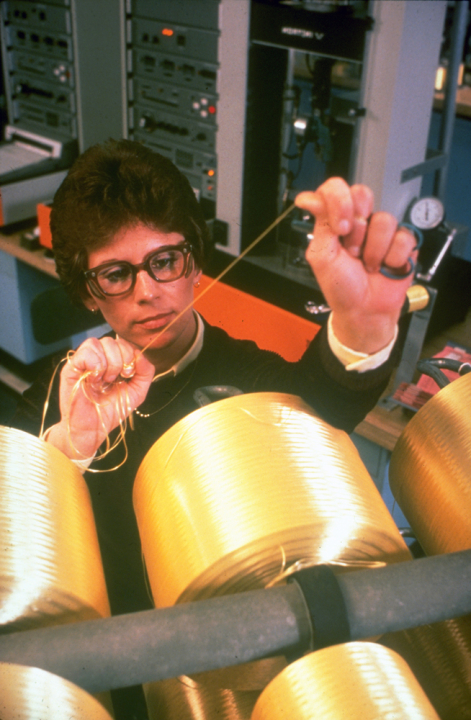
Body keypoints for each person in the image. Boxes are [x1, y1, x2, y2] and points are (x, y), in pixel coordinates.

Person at [11, 138, 416, 717]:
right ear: (87, 293)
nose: (148, 291)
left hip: (224, 670)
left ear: (195, 260)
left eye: (164, 260)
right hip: (105, 659)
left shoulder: (250, 376)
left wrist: (362, 328)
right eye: (116, 274)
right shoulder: (52, 400)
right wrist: (67, 450)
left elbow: (323, 401)